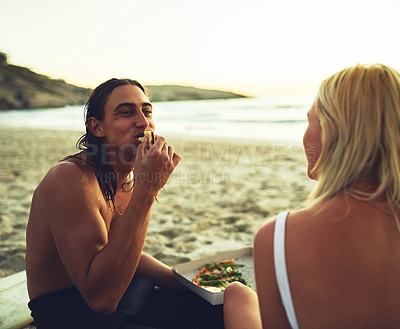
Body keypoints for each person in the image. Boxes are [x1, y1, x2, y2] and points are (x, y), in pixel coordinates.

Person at [25, 78, 224, 329]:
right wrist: (147, 191)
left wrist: (188, 282)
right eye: (127, 112)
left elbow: (120, 252)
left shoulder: (127, 176)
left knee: (233, 302)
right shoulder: (71, 178)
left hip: (126, 291)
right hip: (74, 313)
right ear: (97, 127)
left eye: (147, 111)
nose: (143, 122)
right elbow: (102, 300)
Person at [223, 63, 400, 329]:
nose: (305, 135)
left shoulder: (278, 236)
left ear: (334, 131)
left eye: (310, 120)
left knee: (237, 294)